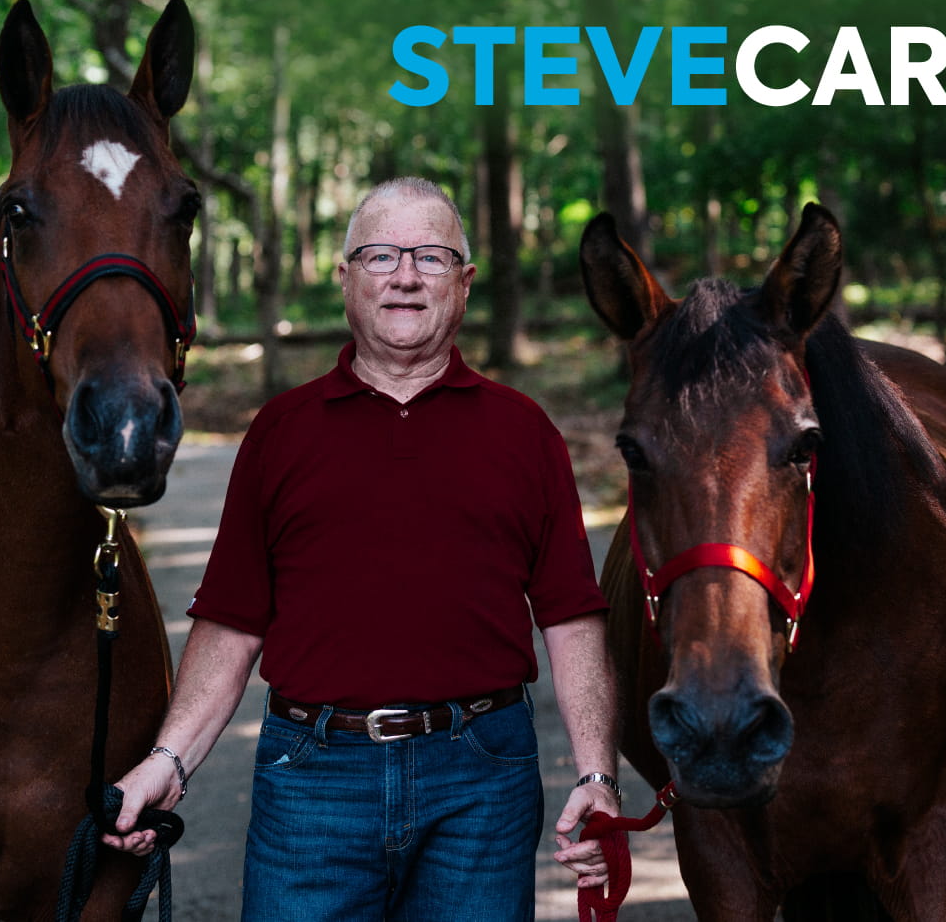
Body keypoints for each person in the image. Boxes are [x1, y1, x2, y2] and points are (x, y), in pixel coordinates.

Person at [103, 177, 619, 920]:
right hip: (312, 778)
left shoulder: (525, 433)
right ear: (346, 279)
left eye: (431, 258)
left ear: (465, 284)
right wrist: (167, 763)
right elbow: (232, 621)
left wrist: (596, 775)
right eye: (380, 255)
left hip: (481, 780)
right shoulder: (281, 432)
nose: (405, 275)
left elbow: (572, 618)